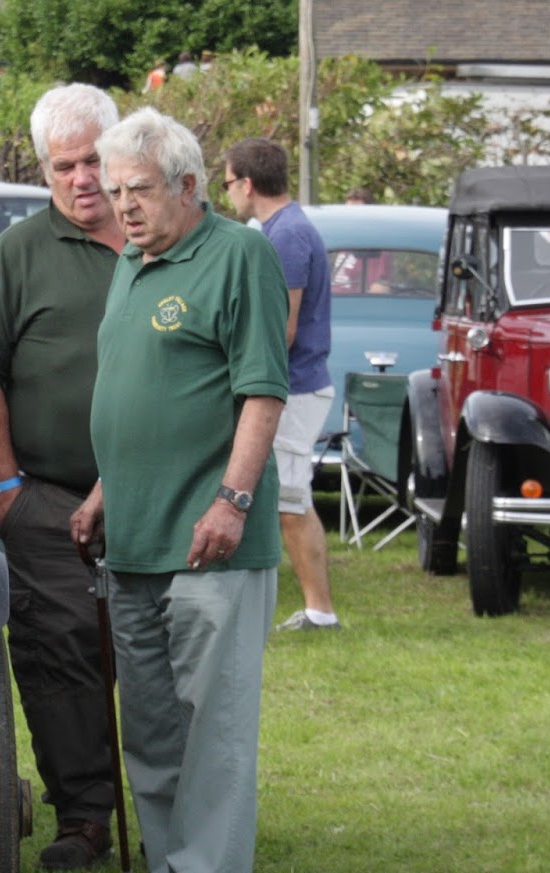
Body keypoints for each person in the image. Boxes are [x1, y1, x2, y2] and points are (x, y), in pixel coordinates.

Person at [72, 107, 288, 873]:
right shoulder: (132, 263)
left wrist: (232, 500)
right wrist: (103, 490)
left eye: (139, 190)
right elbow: (143, 392)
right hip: (133, 537)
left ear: (190, 186)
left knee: (211, 727)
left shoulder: (240, 257)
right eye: (114, 190)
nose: (121, 206)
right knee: (154, 725)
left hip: (209, 542)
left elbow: (261, 392)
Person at [0, 84, 124, 872]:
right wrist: (6, 492)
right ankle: (84, 816)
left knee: (160, 657)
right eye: (64, 166)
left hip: (164, 493)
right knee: (60, 655)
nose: (82, 178)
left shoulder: (166, 238)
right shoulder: (16, 255)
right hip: (51, 496)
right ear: (44, 170)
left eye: (93, 160)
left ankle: (177, 812)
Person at [223, 137, 341, 632]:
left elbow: (283, 328)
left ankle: (321, 612)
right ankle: (309, 608)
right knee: (282, 501)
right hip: (293, 384)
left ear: (248, 184)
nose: (228, 193)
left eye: (228, 184)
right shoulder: (281, 229)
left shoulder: (287, 235)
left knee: (291, 502)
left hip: (295, 386)